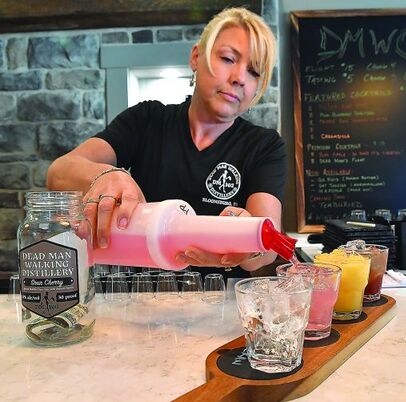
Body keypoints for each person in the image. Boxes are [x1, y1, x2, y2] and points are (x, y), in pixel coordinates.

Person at [47, 7, 287, 278]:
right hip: (142, 299)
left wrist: (247, 244)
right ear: (196, 57)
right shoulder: (148, 119)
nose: (240, 78)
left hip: (219, 305)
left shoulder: (264, 145)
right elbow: (59, 173)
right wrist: (107, 176)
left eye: (254, 71)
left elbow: (267, 248)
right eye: (228, 59)